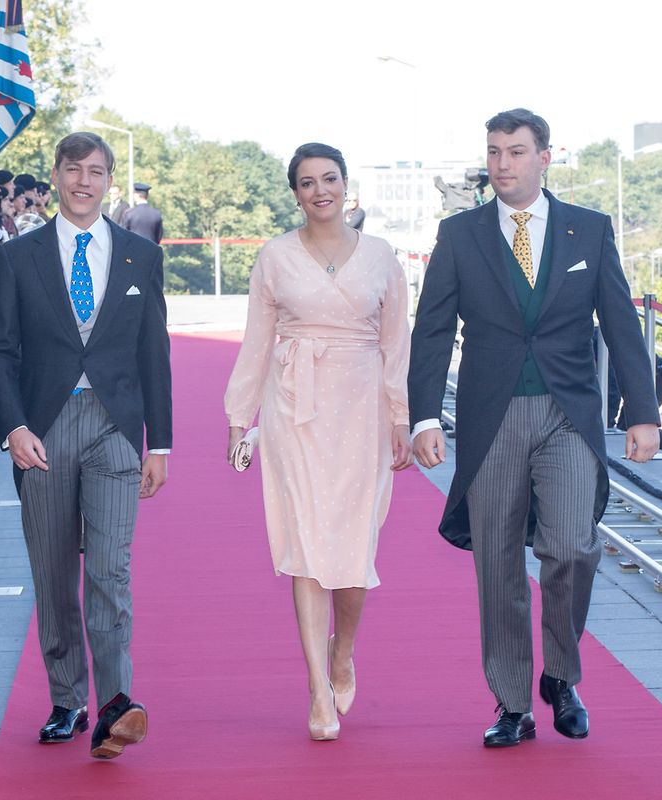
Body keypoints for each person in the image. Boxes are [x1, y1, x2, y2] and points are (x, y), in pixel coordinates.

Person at [407, 109, 660, 748]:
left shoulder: (589, 230)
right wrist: (424, 416)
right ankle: (512, 704)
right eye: (494, 151)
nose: (503, 164)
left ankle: (562, 675)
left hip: (567, 414)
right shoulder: (459, 235)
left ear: (544, 157)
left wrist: (642, 411)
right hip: (490, 417)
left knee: (572, 546)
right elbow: (432, 330)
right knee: (497, 563)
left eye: (516, 152)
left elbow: (620, 322)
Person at [0, 131, 171, 759]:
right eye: (73, 170)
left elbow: (154, 351)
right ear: (57, 175)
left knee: (110, 570)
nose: (85, 181)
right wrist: (13, 427)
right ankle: (68, 698)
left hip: (116, 427)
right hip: (44, 429)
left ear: (109, 180)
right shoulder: (19, 255)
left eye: (96, 171)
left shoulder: (141, 255)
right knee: (55, 572)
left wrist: (161, 443)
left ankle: (116, 705)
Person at [224, 142, 412, 741]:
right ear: (296, 193)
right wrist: (239, 416)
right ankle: (317, 690)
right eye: (307, 182)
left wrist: (402, 417)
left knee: (354, 549)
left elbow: (397, 343)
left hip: (363, 410)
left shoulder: (381, 256)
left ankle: (342, 652)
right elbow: (257, 341)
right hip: (293, 410)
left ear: (345, 185)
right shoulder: (275, 257)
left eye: (329, 179)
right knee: (305, 543)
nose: (320, 190)